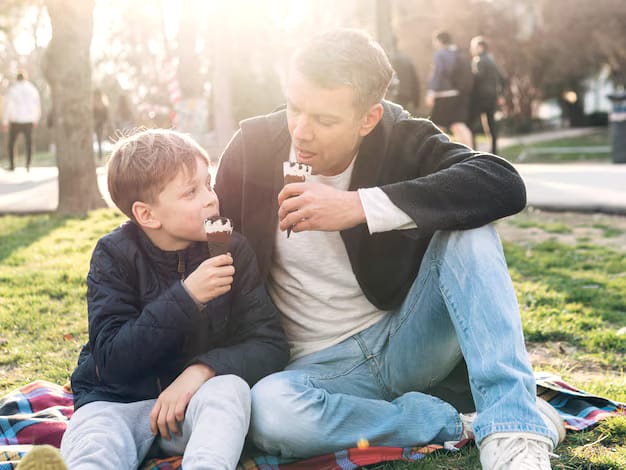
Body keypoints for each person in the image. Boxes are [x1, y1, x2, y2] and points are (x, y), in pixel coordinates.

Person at [215, 28, 566, 470]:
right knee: (268, 413)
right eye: (295, 108)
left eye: (324, 120)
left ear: (368, 118)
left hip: (407, 340)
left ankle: (514, 434)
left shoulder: (400, 135)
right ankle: (461, 423)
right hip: (315, 370)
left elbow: (503, 183)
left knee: (470, 230)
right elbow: (209, 252)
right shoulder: (250, 150)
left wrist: (358, 206)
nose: (301, 131)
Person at [23, 129, 288, 470]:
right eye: (191, 192)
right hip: (115, 404)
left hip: (190, 405)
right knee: (93, 449)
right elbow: (113, 359)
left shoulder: (233, 250)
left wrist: (202, 371)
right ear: (147, 215)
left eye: (208, 183)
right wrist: (187, 297)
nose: (210, 198)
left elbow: (269, 343)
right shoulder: (113, 255)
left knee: (230, 391)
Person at [425, 31, 473, 147]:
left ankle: (434, 155)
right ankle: (472, 153)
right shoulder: (458, 52)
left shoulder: (440, 54)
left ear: (440, 41)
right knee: (458, 125)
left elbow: (438, 73)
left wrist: (431, 92)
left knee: (436, 127)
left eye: (435, 41)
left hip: (443, 95)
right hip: (458, 94)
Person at [469, 36, 507, 155]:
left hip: (480, 97)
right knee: (491, 124)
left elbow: (477, 77)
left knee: (471, 123)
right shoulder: (492, 61)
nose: (472, 50)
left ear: (480, 47)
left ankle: (473, 150)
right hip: (492, 97)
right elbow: (503, 78)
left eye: (474, 47)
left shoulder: (478, 60)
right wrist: (501, 95)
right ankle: (494, 152)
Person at [2, 71, 41, 171]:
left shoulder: (13, 89)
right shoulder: (32, 89)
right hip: (28, 120)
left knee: (12, 143)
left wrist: (5, 121)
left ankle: (12, 165)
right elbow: (37, 105)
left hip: (16, 120)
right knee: (29, 143)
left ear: (17, 78)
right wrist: (36, 118)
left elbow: (8, 106)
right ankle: (28, 165)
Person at [387, 35, 421, 113]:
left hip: (392, 96)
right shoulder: (406, 58)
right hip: (405, 95)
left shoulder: (387, 58)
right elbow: (415, 80)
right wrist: (416, 99)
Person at [92, 88, 110, 161]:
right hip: (94, 125)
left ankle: (100, 156)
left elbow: (106, 117)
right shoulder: (93, 105)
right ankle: (98, 157)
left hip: (100, 125)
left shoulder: (104, 105)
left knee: (100, 141)